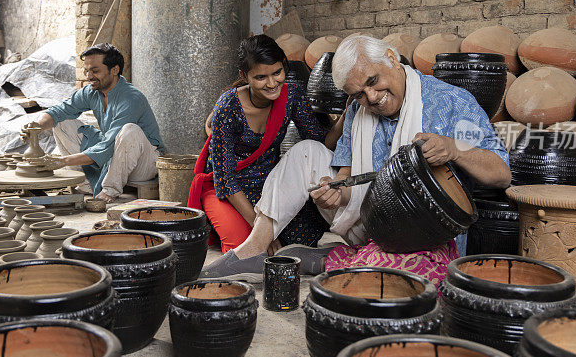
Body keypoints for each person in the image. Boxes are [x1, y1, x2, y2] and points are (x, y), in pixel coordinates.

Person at [202, 34, 510, 285]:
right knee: (305, 151)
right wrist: (335, 191)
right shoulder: (357, 110)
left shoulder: (451, 102)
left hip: (426, 233)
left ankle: (334, 259)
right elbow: (348, 177)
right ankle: (254, 249)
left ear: (391, 57)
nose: (372, 97)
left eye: (373, 81)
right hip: (370, 220)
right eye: (359, 94)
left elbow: (502, 174)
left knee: (406, 281)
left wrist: (454, 149)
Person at [189, 34, 345, 254]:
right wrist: (262, 231)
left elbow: (320, 141)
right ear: (245, 76)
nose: (272, 83)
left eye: (277, 73)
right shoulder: (227, 107)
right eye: (261, 77)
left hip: (269, 184)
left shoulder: (292, 96)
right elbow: (225, 178)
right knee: (245, 248)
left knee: (303, 235)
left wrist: (346, 116)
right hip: (228, 188)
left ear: (284, 67)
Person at [24, 43, 165, 202]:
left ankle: (109, 191)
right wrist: (37, 126)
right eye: (87, 71)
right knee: (62, 123)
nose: (89, 76)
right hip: (114, 153)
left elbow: (108, 146)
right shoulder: (92, 91)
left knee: (129, 130)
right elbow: (60, 110)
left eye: (95, 71)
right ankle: (84, 183)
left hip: (144, 163)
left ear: (114, 70)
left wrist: (61, 161)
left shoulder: (131, 98)